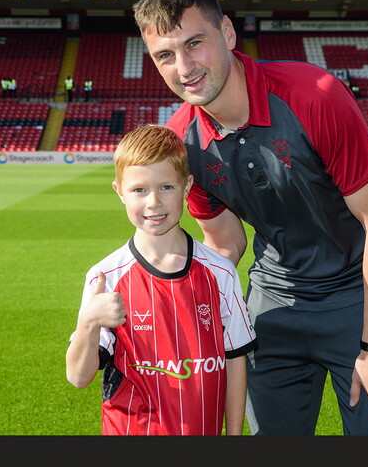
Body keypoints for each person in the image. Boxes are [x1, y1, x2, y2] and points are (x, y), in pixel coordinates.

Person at [133, 0, 368, 436]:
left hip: (358, 298)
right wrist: (178, 313)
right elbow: (224, 244)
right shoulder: (182, 142)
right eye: (165, 55)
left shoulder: (314, 96)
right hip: (273, 305)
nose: (183, 68)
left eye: (194, 44)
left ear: (227, 33)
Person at [65, 124, 258, 436]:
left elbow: (235, 359)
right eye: (140, 189)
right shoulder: (106, 277)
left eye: (166, 187)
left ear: (186, 186)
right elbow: (77, 377)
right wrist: (89, 323)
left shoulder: (220, 272)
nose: (153, 203)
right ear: (120, 191)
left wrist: (234, 434)